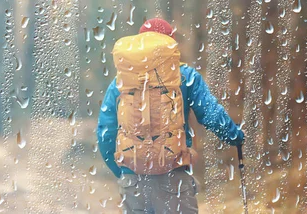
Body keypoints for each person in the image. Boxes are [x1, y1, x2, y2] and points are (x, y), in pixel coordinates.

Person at [97, 18, 244, 214]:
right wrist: (234, 136)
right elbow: (210, 114)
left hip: (133, 182)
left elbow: (105, 132)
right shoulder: (184, 76)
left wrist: (123, 172)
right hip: (174, 178)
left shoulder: (121, 82)